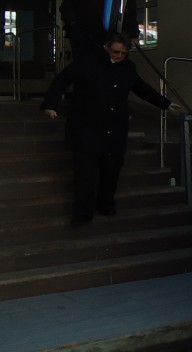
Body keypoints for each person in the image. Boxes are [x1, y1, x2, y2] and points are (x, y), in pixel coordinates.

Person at [40, 32, 175, 225]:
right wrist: (51, 104)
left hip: (114, 128)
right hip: (86, 127)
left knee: (111, 171)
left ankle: (106, 205)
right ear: (106, 48)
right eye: (115, 52)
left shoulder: (128, 67)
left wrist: (165, 103)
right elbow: (62, 79)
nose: (119, 56)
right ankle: (83, 213)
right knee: (85, 173)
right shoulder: (88, 62)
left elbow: (141, 88)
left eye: (123, 53)